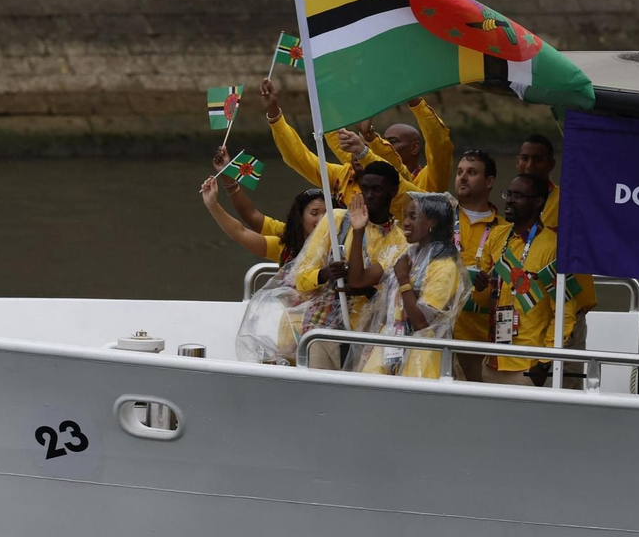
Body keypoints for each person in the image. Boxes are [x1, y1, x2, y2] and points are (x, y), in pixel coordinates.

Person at [290, 160, 410, 369]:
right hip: (323, 326)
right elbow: (300, 278)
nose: (370, 195)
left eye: (378, 189)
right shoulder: (336, 219)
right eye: (365, 188)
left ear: (393, 191)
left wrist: (363, 288)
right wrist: (325, 273)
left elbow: (386, 297)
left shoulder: (400, 241)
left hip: (366, 334)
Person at [471, 173, 577, 386]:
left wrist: (544, 361)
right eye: (508, 194)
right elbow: (482, 302)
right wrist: (481, 288)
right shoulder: (497, 236)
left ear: (538, 202)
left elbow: (565, 313)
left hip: (526, 366)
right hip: (492, 360)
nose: (509, 200)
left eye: (518, 196)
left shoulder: (554, 247)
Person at [352, 192, 468, 378]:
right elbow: (357, 280)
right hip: (389, 348)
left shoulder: (445, 267)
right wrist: (358, 232)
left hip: (421, 357)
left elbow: (421, 322)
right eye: (406, 215)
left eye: (413, 217)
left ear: (432, 223)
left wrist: (403, 279)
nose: (405, 222)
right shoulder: (402, 254)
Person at [257, 77, 418, 211]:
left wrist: (364, 148)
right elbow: (299, 157)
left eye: (364, 150)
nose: (357, 155)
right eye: (354, 151)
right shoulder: (343, 176)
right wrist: (273, 112)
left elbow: (393, 171)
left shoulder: (398, 179)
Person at [515, 132, 597, 354]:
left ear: (551, 164)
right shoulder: (513, 204)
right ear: (517, 161)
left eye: (538, 159)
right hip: (523, 314)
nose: (530, 165)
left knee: (566, 383)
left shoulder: (571, 201)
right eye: (524, 158)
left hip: (566, 309)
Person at [331, 98, 455, 194]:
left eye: (393, 141)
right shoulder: (367, 168)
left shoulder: (434, 177)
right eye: (383, 141)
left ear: (414, 148)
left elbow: (440, 144)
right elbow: (337, 141)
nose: (385, 145)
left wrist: (416, 103)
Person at [452, 150, 503, 381]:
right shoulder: (440, 216)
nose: (463, 177)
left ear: (489, 181)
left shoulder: (505, 229)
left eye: (471, 173)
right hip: (440, 335)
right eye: (460, 172)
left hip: (481, 341)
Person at [200, 175, 325, 265]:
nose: (321, 221)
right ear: (299, 218)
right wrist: (212, 205)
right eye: (314, 213)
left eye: (328, 214)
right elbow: (241, 231)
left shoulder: (342, 243)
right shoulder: (286, 246)